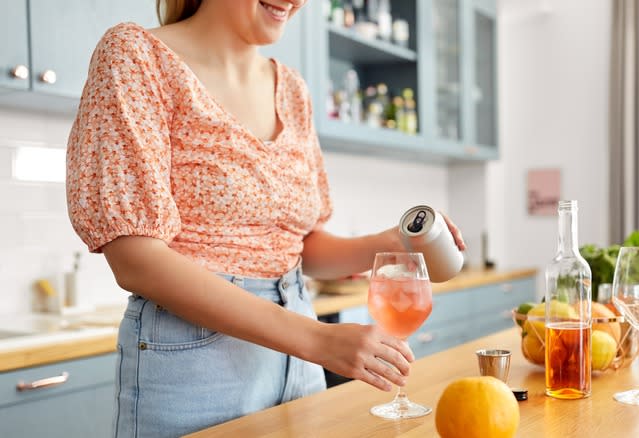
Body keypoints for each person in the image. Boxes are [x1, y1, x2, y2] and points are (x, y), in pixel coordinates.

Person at [65, 0, 465, 436]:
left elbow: (300, 246)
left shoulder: (291, 89)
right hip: (194, 366)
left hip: (301, 360)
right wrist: (318, 339)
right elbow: (134, 259)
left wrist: (394, 241)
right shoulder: (135, 56)